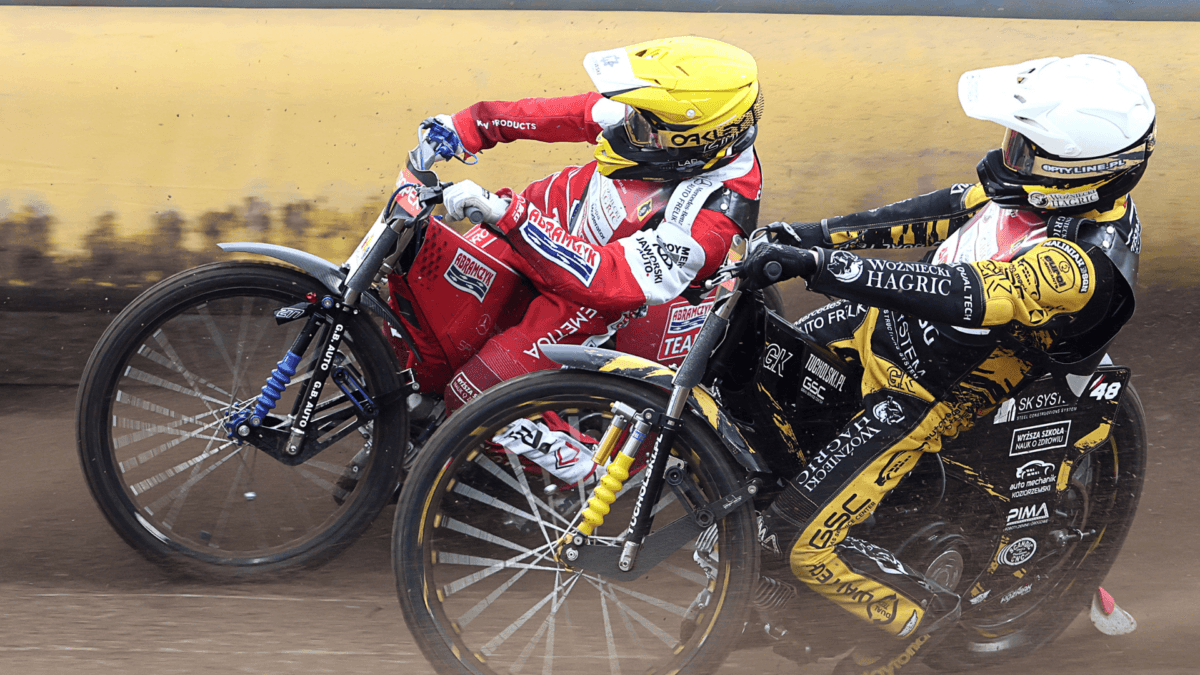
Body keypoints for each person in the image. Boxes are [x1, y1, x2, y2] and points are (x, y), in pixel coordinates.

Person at [739, 54, 1153, 673]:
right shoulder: (1034, 193)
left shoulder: (1083, 264)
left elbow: (966, 292)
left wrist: (821, 268)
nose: (1007, 155)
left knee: (798, 543)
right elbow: (937, 213)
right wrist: (808, 235)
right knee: (760, 364)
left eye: (1026, 147)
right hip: (884, 333)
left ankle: (918, 624)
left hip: (933, 393)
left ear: (1084, 172)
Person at [415, 36, 765, 413]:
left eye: (642, 128)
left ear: (693, 142)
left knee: (474, 396)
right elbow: (570, 112)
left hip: (582, 298)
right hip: (534, 226)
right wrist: (470, 125)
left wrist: (510, 216)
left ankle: (584, 470)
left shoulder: (712, 221)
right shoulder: (659, 118)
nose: (624, 125)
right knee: (425, 314)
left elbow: (606, 280)